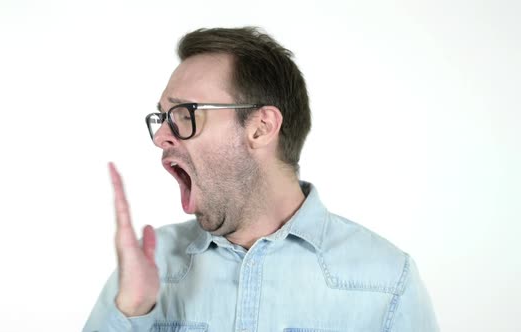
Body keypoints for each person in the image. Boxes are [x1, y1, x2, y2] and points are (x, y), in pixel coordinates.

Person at [83, 27, 439, 332]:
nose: (162, 136)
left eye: (183, 113)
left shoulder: (387, 281)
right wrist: (131, 312)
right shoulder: (149, 266)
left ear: (261, 127)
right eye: (161, 117)